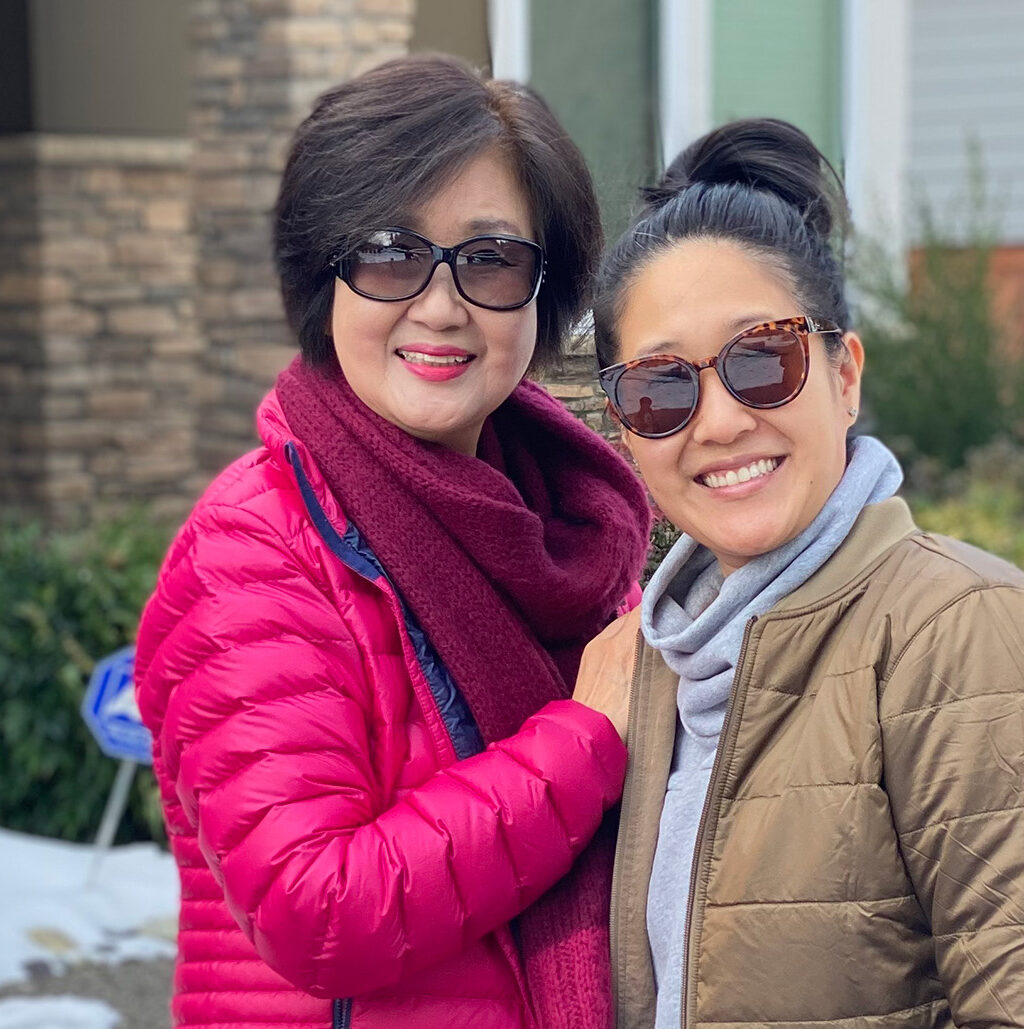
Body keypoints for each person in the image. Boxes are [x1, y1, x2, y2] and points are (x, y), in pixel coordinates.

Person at [135, 54, 651, 1029]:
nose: (443, 304)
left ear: (547, 290)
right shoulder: (255, 546)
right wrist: (585, 741)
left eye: (491, 258)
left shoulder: (571, 530)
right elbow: (318, 913)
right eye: (388, 251)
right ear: (322, 274)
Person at [585, 117, 1024, 1028]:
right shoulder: (655, 666)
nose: (717, 422)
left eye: (763, 359)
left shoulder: (956, 632)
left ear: (846, 375)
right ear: (627, 431)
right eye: (661, 388)